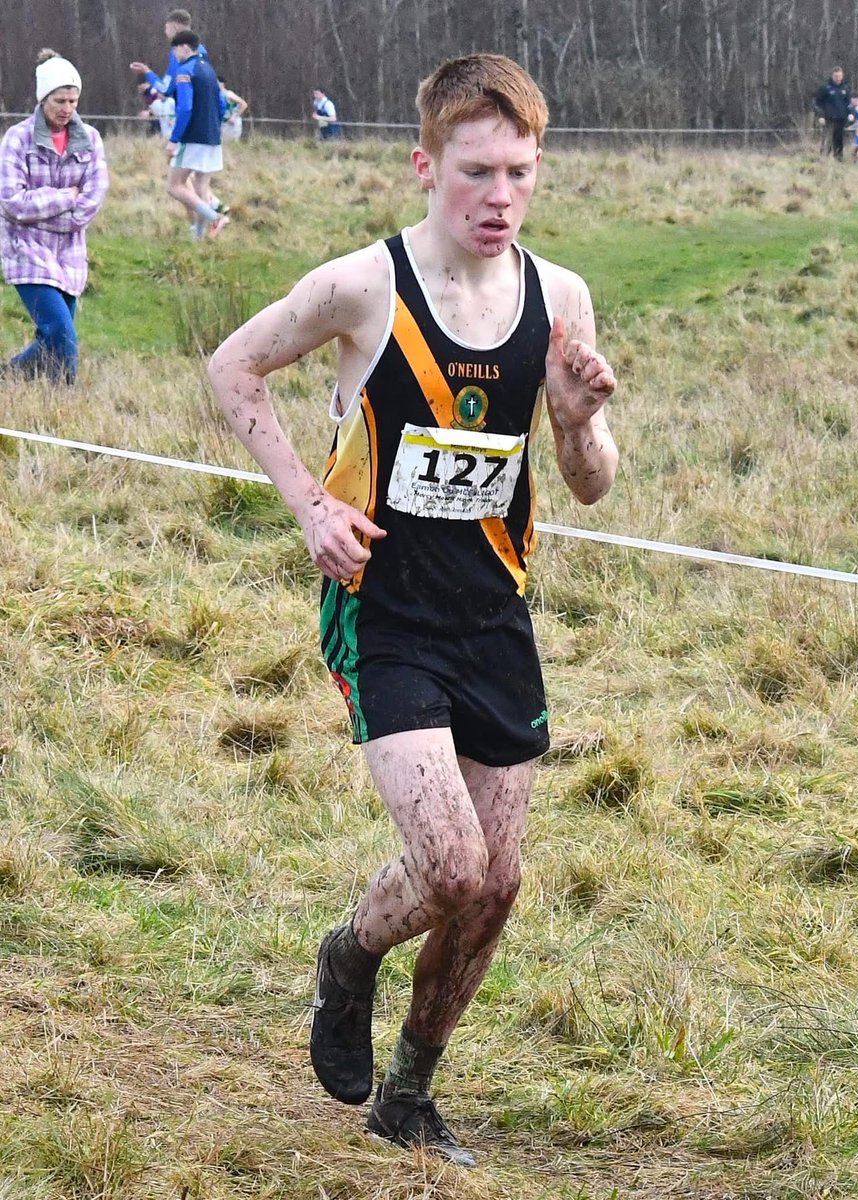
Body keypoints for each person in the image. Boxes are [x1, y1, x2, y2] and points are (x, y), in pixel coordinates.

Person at [208, 53, 617, 1168]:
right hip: (382, 609)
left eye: (520, 173)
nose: (499, 197)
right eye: (476, 172)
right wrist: (310, 507)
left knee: (498, 885)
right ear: (425, 166)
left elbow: (590, 483)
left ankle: (409, 1094)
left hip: (494, 614)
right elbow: (234, 368)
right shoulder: (362, 285)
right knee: (449, 864)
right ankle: (349, 954)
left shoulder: (560, 299)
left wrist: (576, 421)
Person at [0, 49, 108, 384]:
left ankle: (8, 375)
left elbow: (91, 200)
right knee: (61, 331)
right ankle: (67, 398)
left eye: (73, 101)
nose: (67, 109)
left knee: (53, 338)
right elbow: (12, 203)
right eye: (60, 101)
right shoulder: (17, 139)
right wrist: (66, 197)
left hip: (70, 255)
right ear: (43, 98)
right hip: (25, 251)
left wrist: (41, 213)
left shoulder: (90, 139)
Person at [134, 31, 228, 241]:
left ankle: (215, 218)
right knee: (201, 189)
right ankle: (199, 239)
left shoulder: (185, 71)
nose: (174, 55)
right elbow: (222, 103)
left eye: (175, 49)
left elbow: (185, 108)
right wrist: (214, 125)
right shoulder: (209, 69)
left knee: (174, 186)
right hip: (213, 137)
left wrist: (174, 139)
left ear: (185, 47)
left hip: (193, 138)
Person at [814, 66, 852, 159]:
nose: (838, 78)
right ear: (832, 76)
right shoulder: (825, 88)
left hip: (841, 118)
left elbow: (848, 102)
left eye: (839, 76)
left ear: (842, 76)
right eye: (836, 76)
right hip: (829, 118)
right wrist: (821, 116)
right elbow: (817, 103)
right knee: (828, 138)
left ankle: (839, 158)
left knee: (839, 139)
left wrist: (850, 113)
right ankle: (823, 157)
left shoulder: (845, 88)